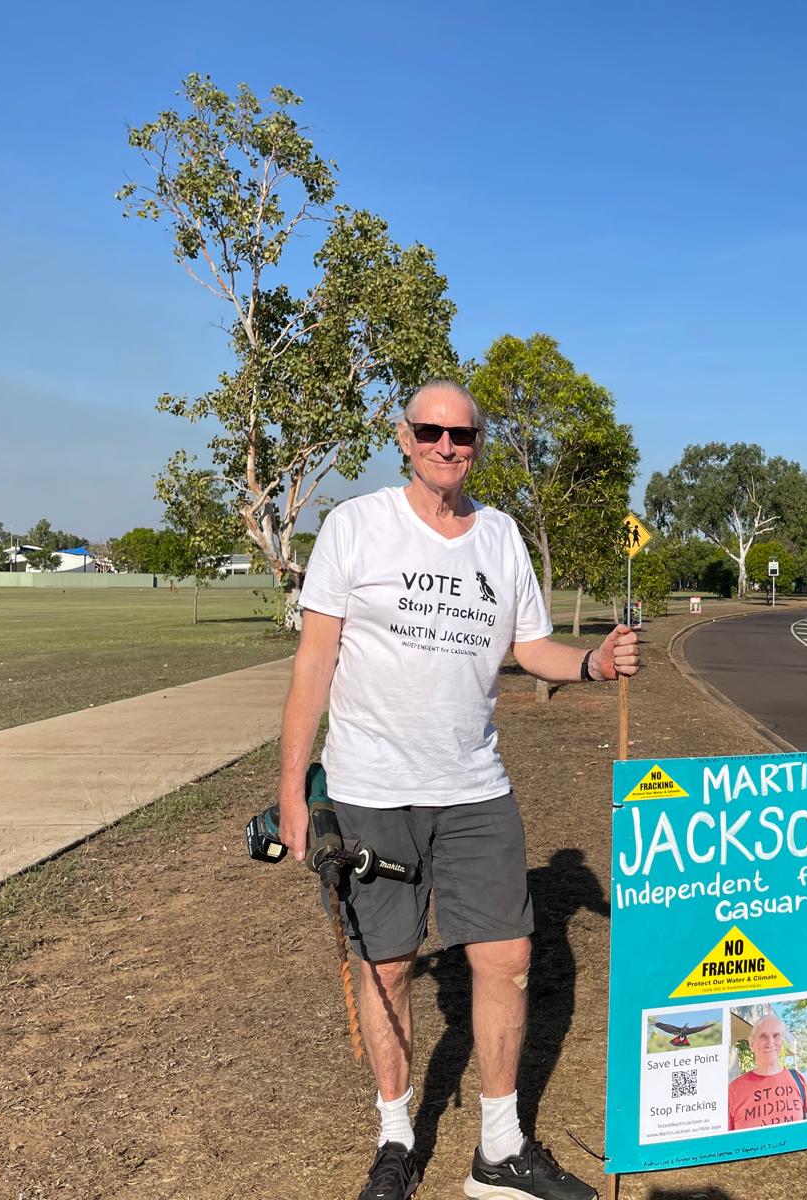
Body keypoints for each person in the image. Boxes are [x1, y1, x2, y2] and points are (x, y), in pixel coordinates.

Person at [278, 379, 641, 1200]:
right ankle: (396, 1139)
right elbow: (313, 665)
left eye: (464, 436)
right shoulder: (356, 527)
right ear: (404, 438)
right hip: (372, 788)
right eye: (432, 432)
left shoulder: (502, 537)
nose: (448, 446)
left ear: (478, 444)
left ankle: (500, 1153)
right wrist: (296, 789)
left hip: (476, 788)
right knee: (392, 968)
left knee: (508, 958)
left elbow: (531, 647)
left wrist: (590, 662)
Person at [727, 1014, 807, 1132]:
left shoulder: (797, 1079)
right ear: (751, 1044)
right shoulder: (733, 1090)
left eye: (775, 1035)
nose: (770, 1042)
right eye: (763, 1036)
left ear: (781, 1042)